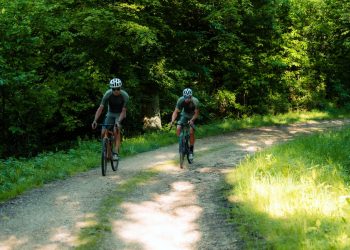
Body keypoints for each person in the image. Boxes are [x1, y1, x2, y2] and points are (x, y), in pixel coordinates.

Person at [92, 78, 129, 160]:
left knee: (116, 129)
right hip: (110, 113)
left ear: (120, 88)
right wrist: (95, 120)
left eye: (118, 89)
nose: (116, 91)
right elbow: (100, 108)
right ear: (111, 89)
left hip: (120, 114)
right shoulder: (107, 94)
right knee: (103, 133)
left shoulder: (125, 96)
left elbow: (123, 111)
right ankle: (108, 153)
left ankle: (115, 153)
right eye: (114, 89)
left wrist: (118, 122)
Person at [170, 88, 199, 161]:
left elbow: (196, 114)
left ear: (191, 96)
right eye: (185, 97)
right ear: (183, 96)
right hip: (185, 115)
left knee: (191, 132)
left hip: (192, 116)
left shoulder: (195, 101)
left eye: (188, 97)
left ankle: (191, 150)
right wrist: (172, 121)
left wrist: (192, 120)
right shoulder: (180, 100)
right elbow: (175, 112)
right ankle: (181, 142)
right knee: (178, 128)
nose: (187, 99)